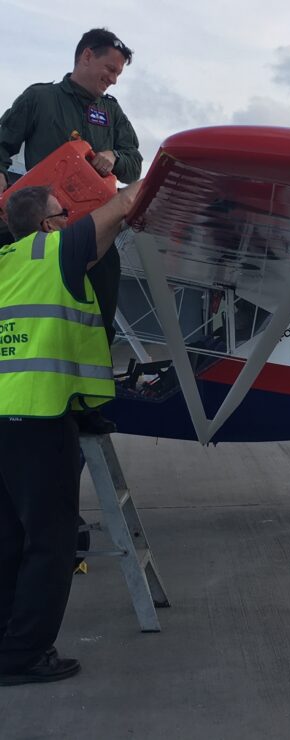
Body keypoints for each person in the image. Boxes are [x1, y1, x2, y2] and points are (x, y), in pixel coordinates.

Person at [0, 181, 141, 686]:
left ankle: (6, 643)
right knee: (53, 544)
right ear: (47, 224)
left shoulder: (7, 261)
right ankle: (24, 656)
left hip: (4, 421)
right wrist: (172, 165)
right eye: (63, 213)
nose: (69, 219)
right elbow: (124, 205)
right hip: (39, 419)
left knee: (10, 538)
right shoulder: (54, 251)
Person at [0, 27, 142, 392]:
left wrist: (115, 156)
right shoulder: (40, 98)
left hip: (96, 231)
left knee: (99, 317)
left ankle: (87, 402)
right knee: (38, 317)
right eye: (109, 69)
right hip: (43, 233)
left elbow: (135, 161)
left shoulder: (112, 111)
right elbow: (2, 142)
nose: (112, 80)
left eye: (118, 75)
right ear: (86, 56)